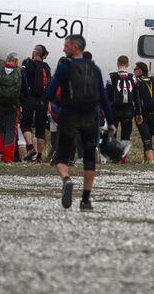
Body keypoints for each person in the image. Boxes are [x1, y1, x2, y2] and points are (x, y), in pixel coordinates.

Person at [46, 35, 114, 211]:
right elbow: (104, 98)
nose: (64, 49)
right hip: (90, 118)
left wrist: (52, 102)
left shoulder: (64, 67)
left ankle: (67, 180)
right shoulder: (95, 68)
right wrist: (111, 121)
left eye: (66, 46)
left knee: (62, 158)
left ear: (75, 47)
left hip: (69, 116)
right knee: (89, 160)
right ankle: (85, 199)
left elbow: (51, 93)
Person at [0, 52, 29, 164]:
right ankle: (7, 158)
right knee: (11, 130)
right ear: (15, 61)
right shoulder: (20, 72)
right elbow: (25, 91)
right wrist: (22, 102)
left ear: (7, 59)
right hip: (13, 106)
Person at [106, 55, 141, 164]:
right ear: (128, 64)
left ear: (118, 64)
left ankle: (113, 157)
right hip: (128, 110)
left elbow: (108, 96)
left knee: (113, 133)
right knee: (126, 134)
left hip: (114, 109)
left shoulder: (111, 77)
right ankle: (123, 158)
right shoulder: (133, 78)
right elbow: (136, 97)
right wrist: (138, 112)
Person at [21, 45, 51, 163]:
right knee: (40, 128)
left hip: (30, 98)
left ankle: (30, 147)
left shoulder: (29, 64)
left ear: (35, 52)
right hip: (43, 100)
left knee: (25, 124)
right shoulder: (46, 67)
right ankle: (39, 156)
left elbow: (23, 79)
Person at [134, 62, 154, 165]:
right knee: (149, 136)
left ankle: (150, 161)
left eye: (135, 69)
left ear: (140, 71)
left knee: (146, 138)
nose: (134, 71)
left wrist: (138, 113)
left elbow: (137, 99)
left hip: (142, 114)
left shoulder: (137, 82)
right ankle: (145, 159)